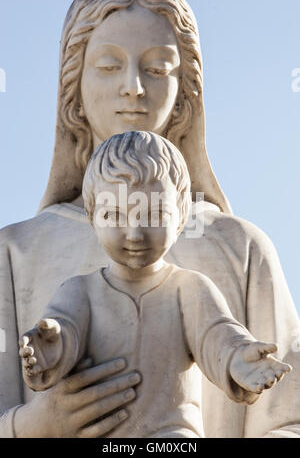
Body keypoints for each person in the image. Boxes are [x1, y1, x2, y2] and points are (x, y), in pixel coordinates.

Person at [0, 0, 299, 438]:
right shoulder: (15, 252)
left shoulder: (241, 248)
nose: (133, 87)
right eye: (108, 66)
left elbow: (287, 420)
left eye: (158, 68)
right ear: (73, 85)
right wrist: (35, 425)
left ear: (186, 92)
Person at [19, 132, 291, 438]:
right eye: (115, 215)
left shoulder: (188, 288)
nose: (134, 233)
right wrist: (50, 350)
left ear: (180, 218)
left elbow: (218, 336)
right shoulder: (79, 292)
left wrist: (238, 362)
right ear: (93, 217)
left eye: (154, 215)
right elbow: (63, 330)